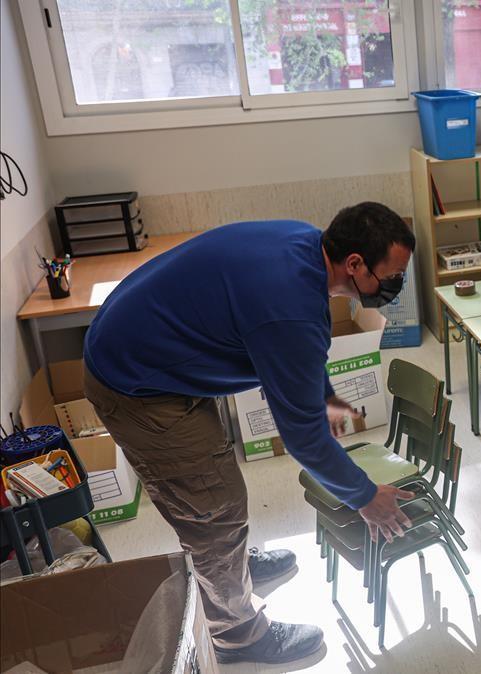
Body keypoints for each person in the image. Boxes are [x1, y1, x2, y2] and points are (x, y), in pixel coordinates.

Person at [82, 203, 417, 665]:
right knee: (213, 504)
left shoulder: (306, 246)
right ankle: (237, 634)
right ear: (354, 264)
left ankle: (231, 569)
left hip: (155, 344)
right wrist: (364, 496)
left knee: (215, 475)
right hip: (136, 380)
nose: (395, 289)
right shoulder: (289, 309)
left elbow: (305, 360)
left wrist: (332, 410)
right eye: (391, 278)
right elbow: (302, 438)